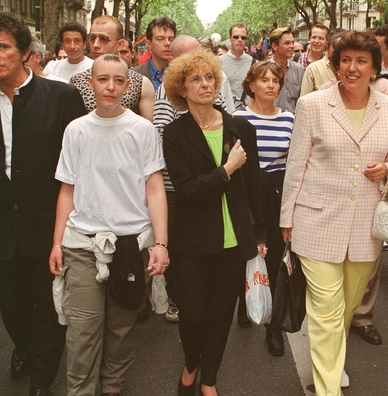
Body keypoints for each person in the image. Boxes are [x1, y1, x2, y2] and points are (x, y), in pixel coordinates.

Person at [279, 30, 388, 395]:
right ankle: (328, 387)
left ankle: (332, 359)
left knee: (345, 310)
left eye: (362, 61)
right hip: (316, 219)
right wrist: (286, 218)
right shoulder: (313, 105)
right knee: (326, 309)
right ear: (334, 66)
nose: (353, 68)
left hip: (366, 226)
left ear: (374, 68)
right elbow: (296, 165)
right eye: (345, 60)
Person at [0, 12, 87, 396]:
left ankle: (41, 379)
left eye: (3, 46)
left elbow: (80, 164)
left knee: (50, 308)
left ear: (26, 52)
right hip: (2, 230)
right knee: (9, 304)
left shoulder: (62, 98)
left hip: (48, 225)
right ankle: (23, 347)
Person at [49, 53, 168, 396]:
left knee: (121, 328)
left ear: (128, 86)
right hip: (83, 245)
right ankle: (81, 390)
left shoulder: (142, 129)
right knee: (82, 330)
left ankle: (112, 386)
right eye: (103, 80)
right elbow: (67, 188)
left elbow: (154, 186)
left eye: (118, 80)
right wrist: (57, 243)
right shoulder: (76, 129)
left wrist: (161, 243)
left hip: (130, 246)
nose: (111, 87)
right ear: (91, 84)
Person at [162, 51, 266, 396]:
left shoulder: (240, 128)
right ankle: (191, 362)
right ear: (182, 88)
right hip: (192, 242)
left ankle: (208, 379)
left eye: (209, 78)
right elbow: (188, 191)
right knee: (192, 313)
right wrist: (226, 170)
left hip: (233, 242)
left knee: (221, 315)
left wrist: (260, 233)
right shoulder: (175, 134)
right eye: (195, 79)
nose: (204, 84)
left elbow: (254, 186)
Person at [233, 61, 293, 357]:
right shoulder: (237, 117)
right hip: (247, 193)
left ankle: (274, 327)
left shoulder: (288, 119)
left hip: (278, 194)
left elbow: (295, 161)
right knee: (245, 252)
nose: (271, 85)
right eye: (264, 80)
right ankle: (245, 303)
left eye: (276, 80)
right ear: (251, 85)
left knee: (277, 260)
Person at [69, 15, 155, 120]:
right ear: (90, 82)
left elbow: (148, 129)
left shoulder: (140, 83)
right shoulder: (76, 82)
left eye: (104, 39)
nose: (96, 44)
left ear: (120, 44)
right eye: (92, 38)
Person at [132, 16, 176, 91]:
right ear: (149, 44)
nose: (167, 43)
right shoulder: (133, 76)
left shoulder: (181, 76)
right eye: (160, 39)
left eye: (171, 39)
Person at [269, 27, 304, 113]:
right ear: (275, 46)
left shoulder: (298, 70)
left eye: (292, 42)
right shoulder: (262, 69)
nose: (292, 46)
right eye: (287, 43)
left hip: (292, 122)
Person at [221, 24, 255, 109]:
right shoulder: (217, 63)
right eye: (236, 37)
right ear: (230, 38)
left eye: (243, 37)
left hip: (247, 113)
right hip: (224, 113)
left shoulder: (255, 64)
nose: (240, 40)